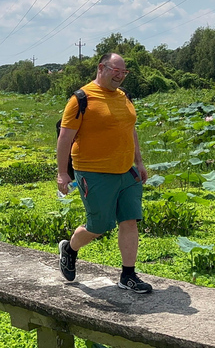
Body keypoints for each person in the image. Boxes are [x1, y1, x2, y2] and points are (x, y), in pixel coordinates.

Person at [56, 53, 152, 293]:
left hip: (126, 171)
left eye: (124, 72)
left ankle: (128, 276)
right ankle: (70, 248)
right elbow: (65, 138)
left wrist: (139, 163)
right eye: (115, 70)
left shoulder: (124, 97)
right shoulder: (81, 99)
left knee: (129, 221)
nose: (120, 75)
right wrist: (62, 174)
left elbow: (131, 131)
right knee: (98, 225)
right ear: (101, 68)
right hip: (93, 172)